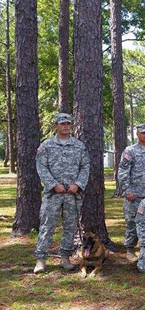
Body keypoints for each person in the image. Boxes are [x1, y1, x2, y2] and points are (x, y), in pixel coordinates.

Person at [34, 113, 90, 274]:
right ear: (56, 126)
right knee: (47, 225)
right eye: (62, 123)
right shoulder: (46, 145)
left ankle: (65, 258)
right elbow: (41, 167)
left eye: (68, 124)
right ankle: (41, 259)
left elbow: (85, 166)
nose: (66, 126)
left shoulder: (79, 146)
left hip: (72, 194)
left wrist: (78, 185)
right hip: (53, 194)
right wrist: (53, 185)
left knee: (70, 227)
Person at [117, 123, 145, 262]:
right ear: (137, 134)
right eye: (143, 133)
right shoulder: (130, 151)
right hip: (134, 196)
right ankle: (130, 249)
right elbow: (123, 172)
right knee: (132, 222)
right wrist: (127, 190)